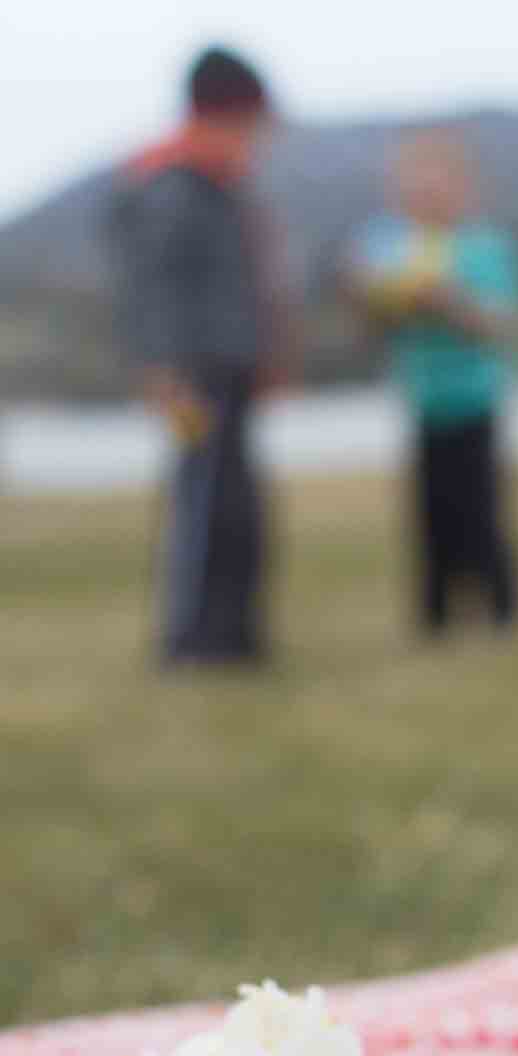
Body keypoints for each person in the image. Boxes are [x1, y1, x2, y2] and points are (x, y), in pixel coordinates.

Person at [110, 47, 283, 665]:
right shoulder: (171, 187)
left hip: (231, 368)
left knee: (237, 504)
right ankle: (192, 642)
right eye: (249, 126)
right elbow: (156, 287)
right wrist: (163, 369)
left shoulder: (223, 186)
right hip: (193, 374)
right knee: (203, 502)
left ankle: (235, 637)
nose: (257, 141)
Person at [347, 131, 518, 635]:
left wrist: (450, 303)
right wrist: (382, 297)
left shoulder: (485, 247)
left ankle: (502, 614)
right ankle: (435, 619)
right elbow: (368, 324)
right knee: (430, 516)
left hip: (476, 398)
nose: (423, 196)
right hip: (422, 400)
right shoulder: (388, 247)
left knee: (482, 511)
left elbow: (500, 324)